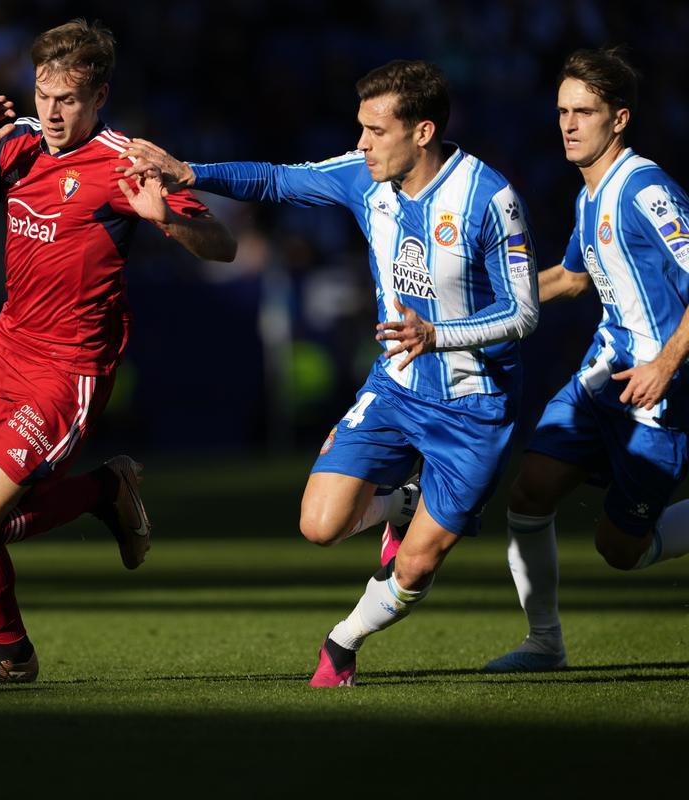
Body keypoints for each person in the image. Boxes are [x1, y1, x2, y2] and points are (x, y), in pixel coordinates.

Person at [120, 60, 538, 686]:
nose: (362, 144)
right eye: (360, 129)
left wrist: (438, 334)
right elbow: (276, 180)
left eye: (376, 130)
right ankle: (403, 500)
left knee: (418, 566)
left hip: (475, 407)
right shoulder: (362, 176)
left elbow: (524, 311)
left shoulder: (489, 197)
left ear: (422, 132)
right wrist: (191, 173)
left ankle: (342, 644)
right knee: (319, 526)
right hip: (397, 387)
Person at [0, 19, 236, 687]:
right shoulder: (18, 146)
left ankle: (18, 638)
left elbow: (222, 245)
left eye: (69, 100)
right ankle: (18, 646)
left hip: (69, 366)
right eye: (43, 94)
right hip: (4, 351)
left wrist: (166, 218)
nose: (52, 113)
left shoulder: (125, 163)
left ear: (100, 96)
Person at [485, 47, 689, 672]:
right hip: (601, 377)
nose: (569, 125)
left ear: (619, 119)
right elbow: (573, 279)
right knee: (529, 490)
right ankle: (544, 643)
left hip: (658, 391)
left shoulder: (645, 189)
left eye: (585, 112)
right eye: (562, 112)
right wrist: (468, 305)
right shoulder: (590, 193)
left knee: (619, 549)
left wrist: (664, 364)